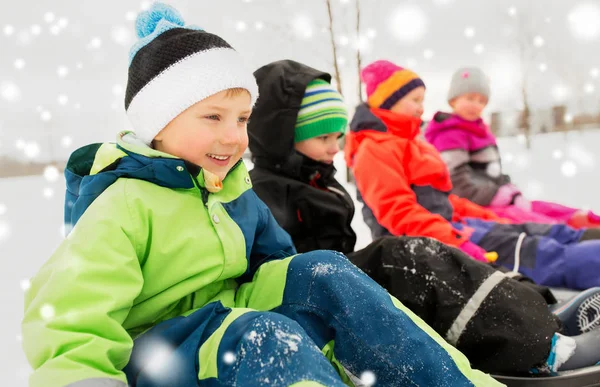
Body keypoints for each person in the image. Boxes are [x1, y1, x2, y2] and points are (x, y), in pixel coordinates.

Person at [21, 5, 498, 387]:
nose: (233, 137)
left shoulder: (230, 190)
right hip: (159, 353)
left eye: (242, 118)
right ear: (157, 123)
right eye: (213, 117)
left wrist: (328, 313)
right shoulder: (123, 205)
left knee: (323, 271)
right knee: (262, 335)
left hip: (232, 319)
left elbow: (278, 268)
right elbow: (70, 326)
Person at [247, 59, 600, 375]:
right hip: (315, 291)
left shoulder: (317, 179)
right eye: (323, 137)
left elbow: (447, 201)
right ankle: (541, 349)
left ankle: (544, 320)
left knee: (459, 260)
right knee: (410, 259)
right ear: (283, 137)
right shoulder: (266, 192)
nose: (335, 148)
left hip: (338, 279)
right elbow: (393, 211)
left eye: (337, 136)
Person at [345, 59, 600, 291]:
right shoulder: (374, 149)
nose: (422, 108)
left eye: (423, 100)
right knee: (532, 251)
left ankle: (586, 240)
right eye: (415, 100)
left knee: (521, 230)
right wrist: (456, 239)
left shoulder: (409, 142)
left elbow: (443, 201)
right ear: (387, 101)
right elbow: (399, 213)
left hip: (447, 228)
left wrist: (487, 217)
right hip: (420, 246)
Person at [425, 66, 600, 229]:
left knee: (541, 207)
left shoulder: (480, 131)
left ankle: (584, 221)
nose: (475, 105)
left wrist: (508, 188)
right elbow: (458, 186)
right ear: (453, 100)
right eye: (470, 98)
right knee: (537, 223)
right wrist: (500, 196)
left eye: (481, 101)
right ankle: (575, 236)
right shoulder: (449, 134)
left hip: (491, 199)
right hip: (474, 207)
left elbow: (491, 173)